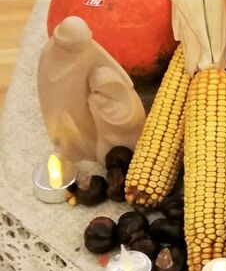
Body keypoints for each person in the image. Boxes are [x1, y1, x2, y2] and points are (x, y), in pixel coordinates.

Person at [37, 16, 145, 162]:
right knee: (77, 133)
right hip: (69, 104)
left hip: (87, 97)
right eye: (77, 45)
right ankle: (84, 151)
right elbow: (48, 93)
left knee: (95, 123)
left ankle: (99, 144)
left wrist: (125, 81)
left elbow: (105, 59)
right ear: (65, 43)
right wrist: (54, 127)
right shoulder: (50, 55)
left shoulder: (87, 47)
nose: (83, 47)